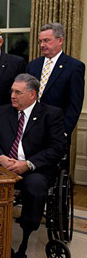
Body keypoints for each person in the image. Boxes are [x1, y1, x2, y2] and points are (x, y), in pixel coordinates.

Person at [0, 74, 66, 258]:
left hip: (35, 170)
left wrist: (28, 164)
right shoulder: (2, 112)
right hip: (3, 167)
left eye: (17, 92)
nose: (12, 95)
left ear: (32, 95)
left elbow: (58, 147)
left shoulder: (51, 114)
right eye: (12, 91)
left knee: (35, 186)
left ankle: (26, 237)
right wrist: (1, 158)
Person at [26, 22, 85, 160]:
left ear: (60, 41)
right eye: (40, 41)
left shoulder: (74, 67)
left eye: (47, 41)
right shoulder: (32, 66)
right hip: (31, 131)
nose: (42, 45)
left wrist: (63, 132)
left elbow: (74, 104)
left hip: (56, 132)